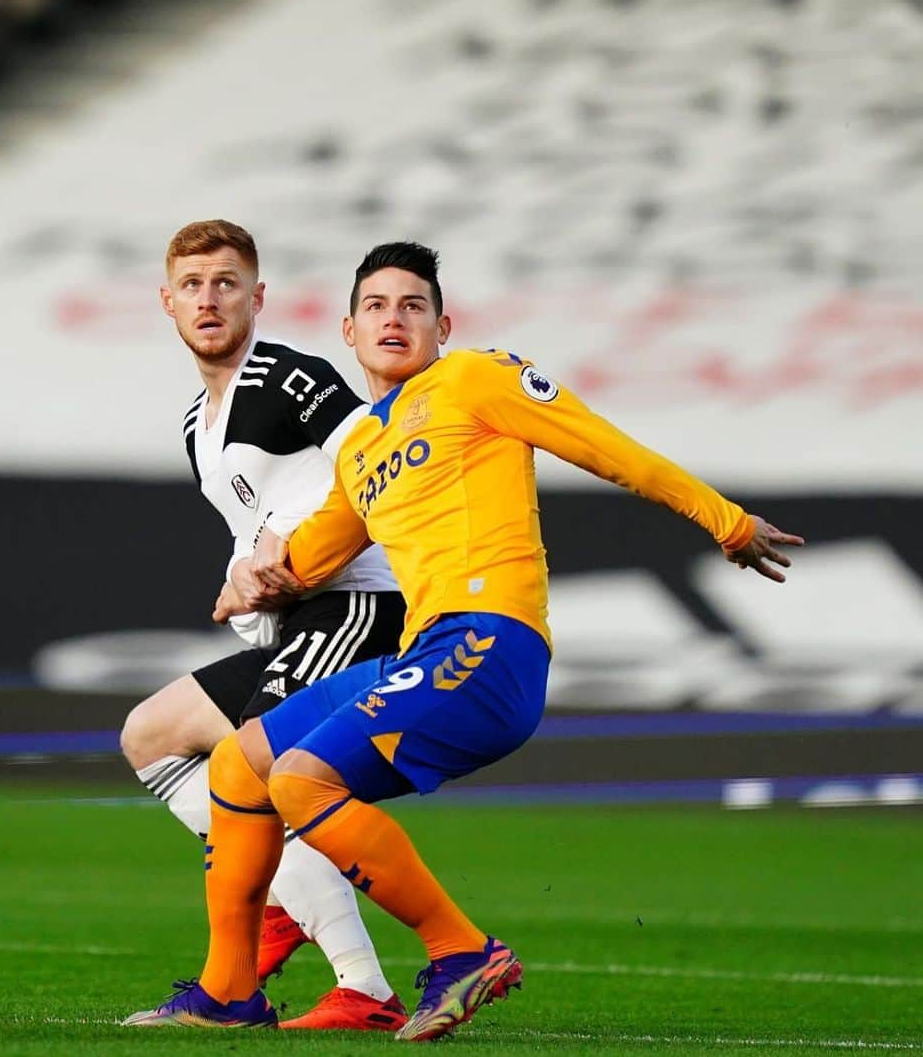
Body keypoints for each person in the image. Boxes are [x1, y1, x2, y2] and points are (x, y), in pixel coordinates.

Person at [140, 240, 804, 1039]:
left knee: (302, 782)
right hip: (425, 654)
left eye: (413, 306)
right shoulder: (360, 453)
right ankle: (229, 991)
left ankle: (461, 951)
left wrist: (726, 523)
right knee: (241, 765)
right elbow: (309, 557)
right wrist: (253, 576)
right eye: (377, 307)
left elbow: (605, 446)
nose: (394, 318)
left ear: (442, 326)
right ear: (348, 332)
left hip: (492, 646)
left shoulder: (476, 378)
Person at [120, 220, 408, 1032]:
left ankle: (356, 985)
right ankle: (280, 888)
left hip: (360, 604)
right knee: (151, 735)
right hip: (298, 622)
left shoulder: (289, 376)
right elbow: (257, 530)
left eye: (226, 282)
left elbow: (380, 460)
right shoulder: (195, 427)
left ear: (257, 296)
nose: (208, 299)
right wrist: (240, 576)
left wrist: (297, 544)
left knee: (253, 776)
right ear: (167, 300)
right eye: (193, 285)